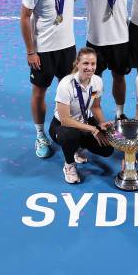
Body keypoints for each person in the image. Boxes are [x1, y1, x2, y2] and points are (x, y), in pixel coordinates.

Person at [20, 0, 83, 158]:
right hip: (44, 50)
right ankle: (40, 134)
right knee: (40, 92)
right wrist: (31, 51)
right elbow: (24, 17)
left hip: (68, 48)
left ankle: (72, 135)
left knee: (71, 93)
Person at [77, 0, 133, 120]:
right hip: (96, 39)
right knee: (93, 79)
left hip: (121, 38)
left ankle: (119, 114)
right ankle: (95, 115)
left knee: (119, 77)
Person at [49, 47, 114, 183]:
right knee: (70, 136)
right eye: (85, 63)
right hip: (62, 126)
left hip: (85, 121)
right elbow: (65, 120)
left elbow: (95, 106)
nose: (89, 67)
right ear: (77, 63)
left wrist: (101, 123)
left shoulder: (97, 82)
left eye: (93, 64)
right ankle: (69, 164)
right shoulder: (66, 85)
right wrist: (93, 129)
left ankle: (77, 147)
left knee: (107, 149)